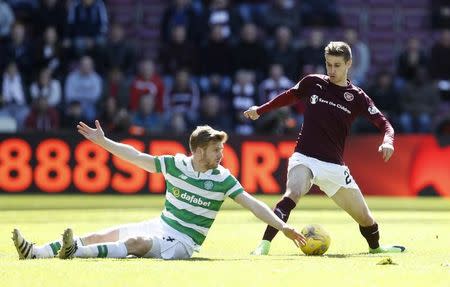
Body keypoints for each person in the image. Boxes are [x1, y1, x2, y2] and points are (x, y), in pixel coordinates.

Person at [12, 122, 306, 260]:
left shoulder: (222, 178)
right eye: (216, 149)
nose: (221, 155)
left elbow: (253, 204)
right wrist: (103, 142)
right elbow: (135, 156)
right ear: (200, 151)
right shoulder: (176, 164)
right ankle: (35, 252)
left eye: (222, 149)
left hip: (184, 243)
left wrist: (283, 227)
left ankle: (75, 253)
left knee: (136, 242)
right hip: (162, 225)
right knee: (102, 234)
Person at [244, 41, 406, 255]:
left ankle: (376, 248)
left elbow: (384, 124)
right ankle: (263, 246)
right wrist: (261, 110)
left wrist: (388, 141)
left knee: (365, 218)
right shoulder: (313, 83)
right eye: (328, 64)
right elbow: (288, 96)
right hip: (304, 157)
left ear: (349, 64)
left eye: (337, 65)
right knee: (292, 193)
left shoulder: (357, 97)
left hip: (334, 168)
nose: (331, 70)